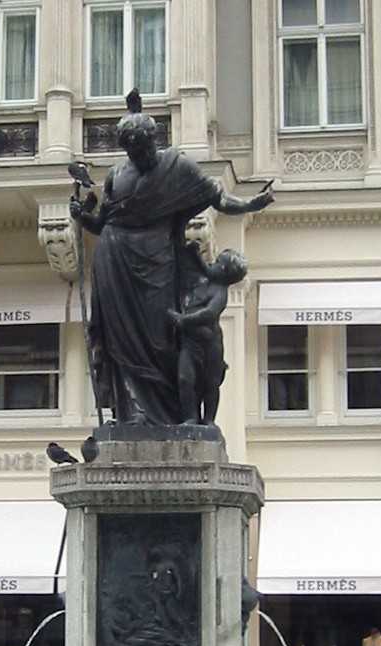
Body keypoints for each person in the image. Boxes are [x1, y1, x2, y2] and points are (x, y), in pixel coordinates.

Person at [70, 92, 273, 426]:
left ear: (154, 140)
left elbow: (218, 199)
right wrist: (81, 216)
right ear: (126, 150)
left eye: (146, 147)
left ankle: (171, 414)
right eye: (135, 151)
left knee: (160, 336)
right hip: (114, 259)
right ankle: (132, 412)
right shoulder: (117, 175)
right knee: (121, 340)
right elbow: (102, 222)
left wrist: (252, 205)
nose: (142, 155)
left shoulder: (177, 167)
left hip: (157, 261)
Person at [168, 245, 247, 425]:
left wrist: (183, 320)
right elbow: (205, 267)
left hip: (209, 345)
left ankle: (209, 419)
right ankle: (190, 417)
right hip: (189, 342)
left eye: (218, 262)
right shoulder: (208, 278)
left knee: (210, 384)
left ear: (225, 272)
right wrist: (195, 254)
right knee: (185, 378)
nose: (213, 263)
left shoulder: (220, 291)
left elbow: (209, 314)